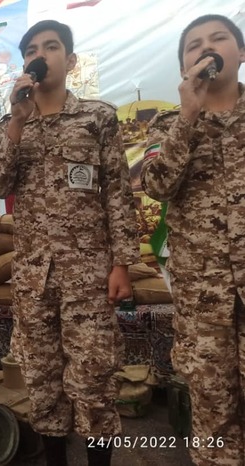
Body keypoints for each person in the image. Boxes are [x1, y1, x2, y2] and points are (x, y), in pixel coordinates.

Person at [0, 20, 139, 466]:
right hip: (34, 279)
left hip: (88, 276)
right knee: (43, 382)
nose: (41, 55)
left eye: (51, 47)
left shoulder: (97, 117)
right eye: (32, 49)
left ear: (69, 61)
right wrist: (16, 121)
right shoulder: (13, 123)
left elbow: (118, 195)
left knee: (93, 381)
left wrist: (122, 264)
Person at [141, 14, 245, 465]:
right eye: (194, 45)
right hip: (205, 304)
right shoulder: (167, 125)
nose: (207, 47)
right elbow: (156, 185)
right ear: (184, 66)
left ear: (240, 52)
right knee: (215, 422)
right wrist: (188, 115)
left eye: (218, 38)